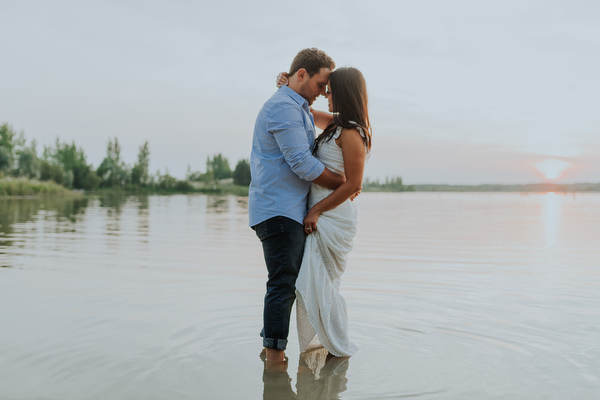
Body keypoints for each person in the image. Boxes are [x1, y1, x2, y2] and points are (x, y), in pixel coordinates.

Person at [249, 48, 348, 364]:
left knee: (289, 280)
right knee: (283, 282)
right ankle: (275, 360)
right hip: (279, 210)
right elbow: (302, 164)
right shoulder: (284, 108)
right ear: (302, 74)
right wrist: (344, 184)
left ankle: (272, 354)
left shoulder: (297, 106)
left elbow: (340, 120)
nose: (322, 93)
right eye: (321, 84)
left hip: (286, 209)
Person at [277, 66, 372, 357]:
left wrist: (316, 210)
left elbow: (354, 183)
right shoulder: (334, 124)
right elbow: (304, 111)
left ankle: (337, 349)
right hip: (320, 216)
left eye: (330, 90)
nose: (325, 95)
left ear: (344, 93)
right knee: (316, 286)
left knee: (320, 286)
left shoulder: (353, 132)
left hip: (332, 219)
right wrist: (286, 86)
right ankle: (330, 350)